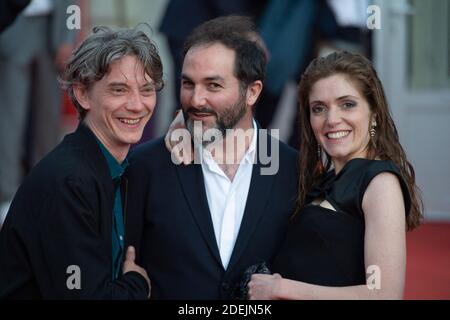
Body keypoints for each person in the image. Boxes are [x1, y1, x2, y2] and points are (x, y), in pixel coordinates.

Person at [126, 16, 298, 299]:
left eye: (213, 86)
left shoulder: (292, 170)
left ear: (252, 92)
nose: (196, 99)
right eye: (188, 84)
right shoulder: (146, 167)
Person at [0, 25, 164, 299]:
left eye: (146, 90)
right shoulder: (70, 182)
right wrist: (137, 283)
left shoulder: (116, 166)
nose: (137, 105)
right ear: (82, 94)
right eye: (119, 90)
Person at [247, 51, 423, 299]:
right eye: (318, 108)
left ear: (374, 111)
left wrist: (281, 288)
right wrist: (191, 129)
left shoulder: (380, 183)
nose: (332, 119)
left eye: (347, 104)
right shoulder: (320, 178)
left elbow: (384, 294)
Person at [0, 0, 77, 225]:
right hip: (14, 21)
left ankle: (45, 191)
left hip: (54, 26)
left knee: (48, 119)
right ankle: (7, 195)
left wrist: (68, 37)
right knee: (9, 116)